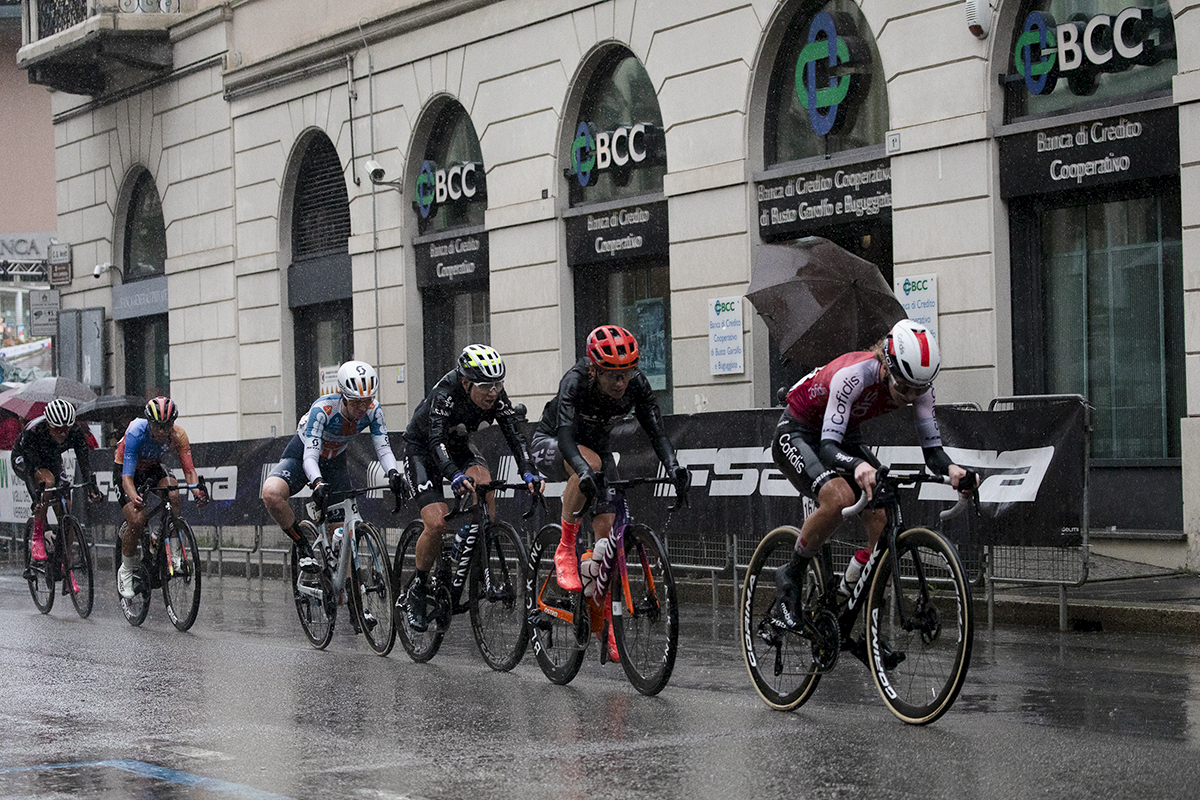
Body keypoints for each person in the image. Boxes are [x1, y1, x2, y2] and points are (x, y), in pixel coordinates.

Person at [770, 319, 976, 629]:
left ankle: (851, 606)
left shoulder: (918, 386)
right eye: (903, 388)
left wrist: (953, 470)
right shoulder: (853, 376)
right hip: (798, 432)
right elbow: (828, 447)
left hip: (844, 436)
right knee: (840, 498)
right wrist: (857, 466)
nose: (910, 396)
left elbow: (932, 451)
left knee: (882, 516)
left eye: (918, 389)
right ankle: (791, 573)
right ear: (886, 368)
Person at [531, 325, 689, 661]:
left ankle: (604, 625)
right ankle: (565, 546)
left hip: (597, 450)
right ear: (594, 369)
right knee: (587, 463)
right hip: (554, 442)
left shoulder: (637, 385)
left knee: (606, 542)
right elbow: (565, 437)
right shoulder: (575, 381)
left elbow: (657, 433)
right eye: (612, 376)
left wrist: (674, 467)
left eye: (626, 374)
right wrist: (585, 470)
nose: (621, 383)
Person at [400, 344, 542, 633]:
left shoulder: (495, 395)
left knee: (485, 485)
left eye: (498, 384)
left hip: (458, 445)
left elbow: (515, 434)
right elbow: (435, 441)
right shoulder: (445, 393)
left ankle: (475, 550)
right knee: (437, 523)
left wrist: (528, 470)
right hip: (423, 449)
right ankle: (419, 587)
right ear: (466, 382)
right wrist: (451, 474)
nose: (494, 392)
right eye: (486, 386)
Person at [261, 361, 408, 579]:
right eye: (357, 401)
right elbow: (310, 456)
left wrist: (394, 473)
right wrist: (317, 482)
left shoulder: (373, 410)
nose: (362, 407)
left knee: (344, 539)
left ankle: (351, 601)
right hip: (304, 455)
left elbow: (383, 447)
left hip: (334, 461)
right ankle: (302, 544)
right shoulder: (323, 410)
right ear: (343, 395)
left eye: (367, 400)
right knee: (271, 493)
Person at [113, 396, 210, 599]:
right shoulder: (136, 431)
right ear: (149, 423)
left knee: (173, 493)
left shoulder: (179, 435)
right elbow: (127, 478)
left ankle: (171, 551)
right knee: (137, 520)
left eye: (166, 426)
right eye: (157, 426)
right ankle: (126, 570)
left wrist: (196, 492)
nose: (161, 431)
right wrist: (134, 497)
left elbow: (189, 471)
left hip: (152, 468)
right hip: (126, 471)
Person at [11, 399, 104, 571]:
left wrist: (92, 488)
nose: (62, 434)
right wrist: (36, 500)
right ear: (48, 424)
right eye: (58, 429)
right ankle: (37, 537)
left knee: (66, 510)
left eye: (66, 430)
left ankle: (65, 564)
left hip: (52, 458)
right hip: (25, 459)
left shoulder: (76, 432)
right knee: (47, 482)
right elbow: (31, 471)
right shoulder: (34, 431)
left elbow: (85, 464)